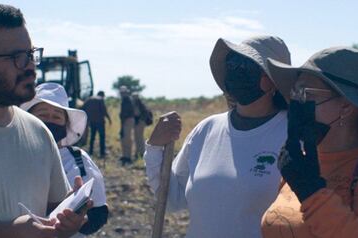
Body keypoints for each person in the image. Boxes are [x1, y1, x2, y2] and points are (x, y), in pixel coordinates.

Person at [0, 4, 90, 237]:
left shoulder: (38, 132)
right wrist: (6, 232)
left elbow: (53, 210)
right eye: (17, 58)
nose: (31, 67)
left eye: (31, 54)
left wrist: (68, 220)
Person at [144, 35, 291, 238]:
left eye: (246, 66)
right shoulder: (206, 129)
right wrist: (154, 148)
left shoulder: (294, 135)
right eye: (232, 64)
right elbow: (171, 200)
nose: (235, 72)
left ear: (272, 80)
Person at [261, 47, 358, 238]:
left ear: (346, 106)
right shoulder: (302, 162)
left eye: (305, 93)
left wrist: (312, 193)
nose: (296, 102)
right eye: (294, 93)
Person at [21, 83, 109, 237]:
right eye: (42, 115)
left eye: (57, 116)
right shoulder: (14, 156)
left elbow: (98, 213)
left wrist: (79, 221)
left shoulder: (78, 159)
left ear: (66, 124)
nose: (50, 121)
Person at [82, 90, 111, 158]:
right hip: (100, 121)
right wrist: (109, 119)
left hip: (92, 121)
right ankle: (102, 153)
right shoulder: (100, 99)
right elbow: (104, 111)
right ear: (102, 95)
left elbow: (83, 108)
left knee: (92, 137)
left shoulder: (89, 99)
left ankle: (91, 151)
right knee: (102, 137)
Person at [119, 85, 135, 165]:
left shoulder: (127, 100)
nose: (122, 94)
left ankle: (128, 157)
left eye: (123, 92)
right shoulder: (125, 100)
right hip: (125, 120)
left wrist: (123, 121)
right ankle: (125, 155)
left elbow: (127, 112)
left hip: (127, 120)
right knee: (124, 139)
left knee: (127, 139)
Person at [132, 92, 150, 159]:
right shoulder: (138, 103)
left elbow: (140, 113)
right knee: (137, 138)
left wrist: (141, 120)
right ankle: (138, 152)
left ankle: (141, 152)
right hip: (138, 122)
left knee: (139, 138)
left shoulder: (139, 104)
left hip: (140, 122)